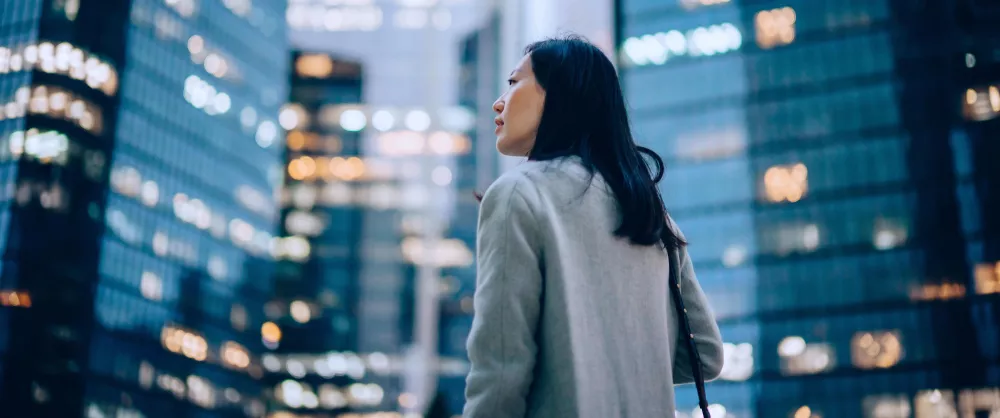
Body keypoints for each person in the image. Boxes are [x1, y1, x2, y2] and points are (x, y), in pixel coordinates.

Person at [462, 35, 725, 418]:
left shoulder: (520, 193)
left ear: (561, 94)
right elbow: (704, 356)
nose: (498, 102)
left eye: (515, 82)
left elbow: (500, 370)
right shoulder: (647, 209)